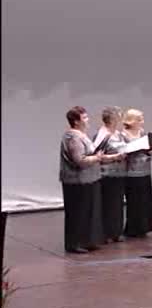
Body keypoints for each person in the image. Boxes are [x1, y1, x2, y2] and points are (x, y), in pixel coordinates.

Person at [59, 106, 105, 253]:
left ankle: (88, 240)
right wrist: (97, 157)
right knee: (79, 212)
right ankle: (76, 243)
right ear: (76, 121)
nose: (88, 119)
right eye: (84, 117)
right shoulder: (73, 137)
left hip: (89, 179)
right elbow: (79, 160)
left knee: (89, 211)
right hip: (77, 182)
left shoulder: (82, 135)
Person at [93, 106, 127, 243]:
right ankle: (105, 233)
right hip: (106, 174)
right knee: (107, 204)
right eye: (119, 115)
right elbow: (97, 156)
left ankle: (116, 232)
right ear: (112, 117)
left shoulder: (118, 134)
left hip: (120, 173)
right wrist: (116, 157)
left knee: (118, 204)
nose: (121, 117)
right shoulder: (102, 134)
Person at [122, 109, 152, 237]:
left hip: (145, 170)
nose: (142, 121)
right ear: (131, 121)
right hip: (131, 172)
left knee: (145, 201)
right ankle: (132, 228)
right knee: (134, 201)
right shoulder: (123, 135)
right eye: (140, 119)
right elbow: (123, 152)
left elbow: (148, 150)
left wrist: (151, 153)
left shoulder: (142, 133)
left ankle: (144, 227)